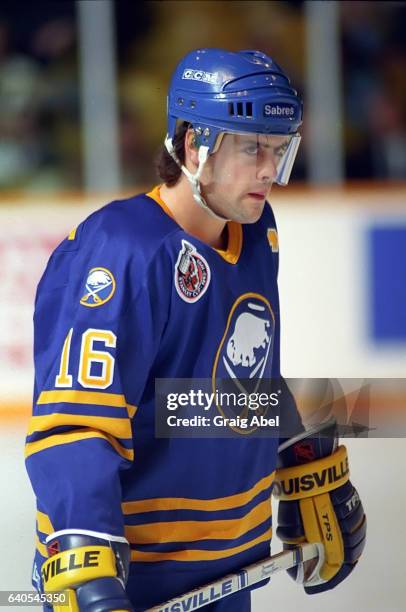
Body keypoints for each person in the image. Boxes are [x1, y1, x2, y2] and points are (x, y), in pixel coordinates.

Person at [25, 48, 366, 612]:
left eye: (278, 150)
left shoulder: (254, 231)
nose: (268, 170)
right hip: (133, 584)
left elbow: (241, 381)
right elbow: (75, 423)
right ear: (194, 146)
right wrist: (83, 558)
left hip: (230, 569)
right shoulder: (120, 252)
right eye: (252, 146)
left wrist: (303, 458)